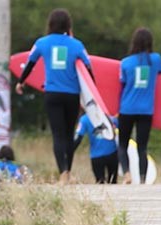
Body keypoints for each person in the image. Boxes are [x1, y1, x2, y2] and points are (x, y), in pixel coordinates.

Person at [14, 8, 93, 184]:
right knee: (68, 135)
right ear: (68, 25)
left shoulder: (42, 43)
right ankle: (68, 172)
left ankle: (63, 172)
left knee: (57, 135)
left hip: (53, 94)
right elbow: (88, 68)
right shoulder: (77, 45)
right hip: (72, 95)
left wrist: (21, 82)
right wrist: (91, 94)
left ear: (50, 24)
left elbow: (30, 63)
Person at [118, 27, 161, 184]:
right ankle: (143, 180)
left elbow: (122, 84)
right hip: (146, 110)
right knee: (142, 147)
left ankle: (127, 174)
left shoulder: (125, 63)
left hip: (127, 108)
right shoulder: (156, 59)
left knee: (123, 144)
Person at [74, 114, 119, 184]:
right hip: (112, 153)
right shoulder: (111, 117)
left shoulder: (85, 119)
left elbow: (78, 138)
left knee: (100, 182)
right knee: (113, 182)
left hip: (96, 156)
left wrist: (69, 152)